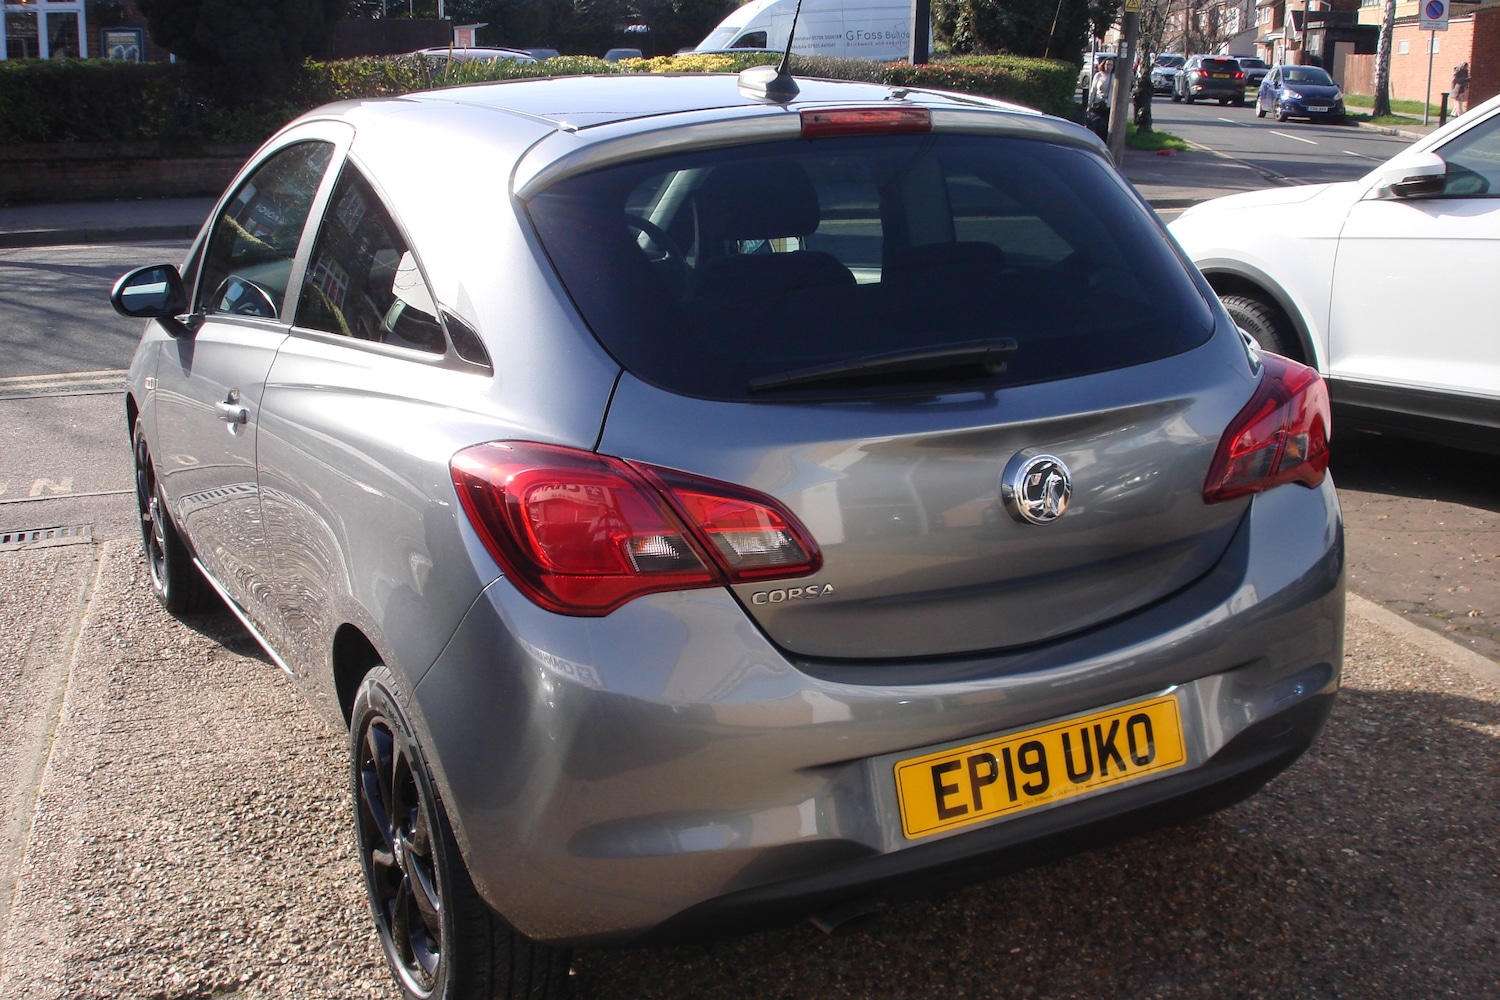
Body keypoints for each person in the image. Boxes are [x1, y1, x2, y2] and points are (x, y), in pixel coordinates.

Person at [1088, 57, 1115, 142]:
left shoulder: (1114, 77)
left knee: (1105, 128)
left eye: (1111, 65)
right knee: (1096, 125)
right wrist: (1089, 104)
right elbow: (1093, 91)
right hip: (1098, 104)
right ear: (1103, 65)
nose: (1109, 67)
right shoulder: (1098, 75)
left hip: (1108, 106)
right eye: (1107, 64)